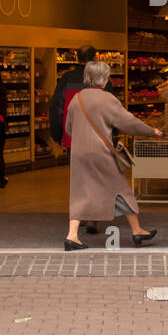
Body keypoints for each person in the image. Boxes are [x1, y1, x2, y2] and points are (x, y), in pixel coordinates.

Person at [63, 60, 164, 250]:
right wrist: (151, 131)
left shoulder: (76, 99)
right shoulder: (107, 99)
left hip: (78, 153)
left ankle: (72, 236)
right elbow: (128, 122)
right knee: (120, 189)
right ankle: (137, 230)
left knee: (80, 192)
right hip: (100, 152)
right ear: (103, 79)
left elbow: (69, 128)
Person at [49, 45, 98, 233]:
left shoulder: (67, 78)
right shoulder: (99, 78)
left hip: (73, 136)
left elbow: (56, 107)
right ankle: (93, 216)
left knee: (78, 177)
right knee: (95, 175)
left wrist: (57, 134)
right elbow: (112, 105)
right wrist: (114, 133)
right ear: (94, 58)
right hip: (96, 135)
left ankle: (82, 215)